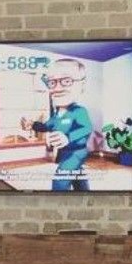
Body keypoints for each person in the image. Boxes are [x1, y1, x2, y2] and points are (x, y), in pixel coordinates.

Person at [21, 58, 93, 191]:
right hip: (64, 153)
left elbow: (87, 128)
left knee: (61, 179)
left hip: (77, 152)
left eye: (66, 81)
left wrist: (68, 137)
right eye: (52, 83)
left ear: (82, 85)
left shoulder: (79, 111)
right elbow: (46, 126)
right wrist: (33, 125)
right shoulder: (56, 115)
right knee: (77, 175)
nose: (57, 88)